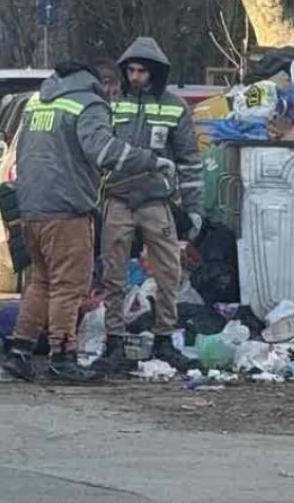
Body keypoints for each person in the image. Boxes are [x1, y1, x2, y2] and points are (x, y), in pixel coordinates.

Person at [4, 57, 167, 384]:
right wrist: (151, 161)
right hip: (66, 210)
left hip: (32, 209)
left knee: (41, 282)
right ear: (104, 83)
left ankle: (19, 352)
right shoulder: (88, 104)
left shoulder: (38, 102)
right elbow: (104, 151)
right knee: (68, 286)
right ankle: (62, 358)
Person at [96, 37, 203, 373]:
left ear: (154, 73)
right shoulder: (112, 104)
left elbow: (189, 160)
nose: (135, 77)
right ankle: (113, 340)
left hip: (158, 201)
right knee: (113, 273)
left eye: (142, 71)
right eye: (130, 70)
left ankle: (164, 339)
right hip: (119, 198)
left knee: (168, 273)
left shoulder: (174, 107)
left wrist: (195, 209)